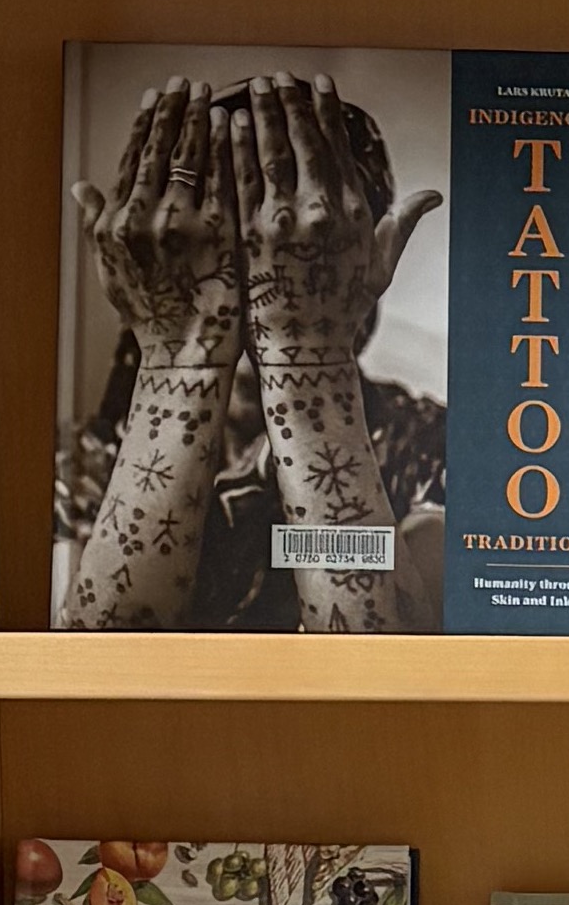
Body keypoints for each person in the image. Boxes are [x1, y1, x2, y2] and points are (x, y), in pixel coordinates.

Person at [54, 63, 444, 631]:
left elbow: (384, 661)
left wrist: (307, 354)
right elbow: (96, 668)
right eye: (228, 243)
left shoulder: (429, 445)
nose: (255, 274)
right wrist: (180, 357)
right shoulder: (83, 467)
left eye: (300, 243)